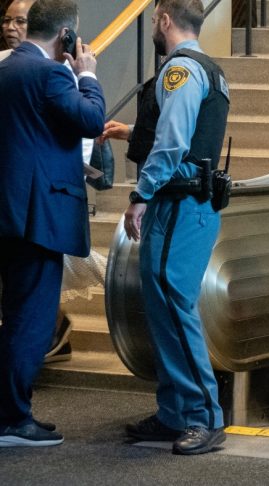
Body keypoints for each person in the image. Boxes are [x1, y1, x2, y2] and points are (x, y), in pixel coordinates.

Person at [121, 0, 230, 456]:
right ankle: (174, 412)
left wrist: (140, 194)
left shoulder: (179, 71)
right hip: (189, 203)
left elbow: (173, 143)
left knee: (173, 305)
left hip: (179, 205)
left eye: (153, 18)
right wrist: (130, 134)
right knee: (164, 310)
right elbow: (185, 132)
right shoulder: (209, 70)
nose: (152, 25)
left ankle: (204, 417)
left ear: (165, 19)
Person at [0, 0, 104, 447]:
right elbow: (91, 120)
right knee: (31, 319)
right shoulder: (50, 73)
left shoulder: (6, 67)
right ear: (66, 35)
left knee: (15, 314)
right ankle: (11, 419)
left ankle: (10, 412)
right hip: (37, 217)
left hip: (10, 213)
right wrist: (88, 75)